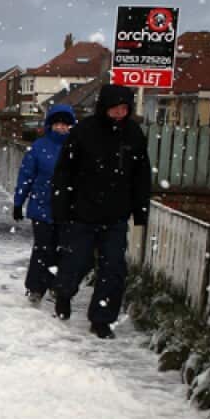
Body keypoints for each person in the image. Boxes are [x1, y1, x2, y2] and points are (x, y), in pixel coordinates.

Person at [50, 84, 152, 339]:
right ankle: (64, 293)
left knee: (113, 269)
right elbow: (64, 172)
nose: (119, 114)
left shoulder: (133, 135)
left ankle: (102, 319)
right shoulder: (84, 132)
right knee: (77, 262)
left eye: (124, 109)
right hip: (82, 212)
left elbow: (141, 176)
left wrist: (140, 210)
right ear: (104, 108)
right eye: (115, 109)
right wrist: (61, 206)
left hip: (116, 215)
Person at [12, 104, 75, 304]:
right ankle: (36, 287)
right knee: (42, 249)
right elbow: (26, 176)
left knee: (62, 250)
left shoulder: (76, 147)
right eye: (57, 124)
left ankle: (57, 285)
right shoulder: (40, 147)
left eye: (65, 124)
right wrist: (18, 202)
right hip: (41, 207)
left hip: (67, 208)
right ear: (50, 125)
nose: (61, 128)